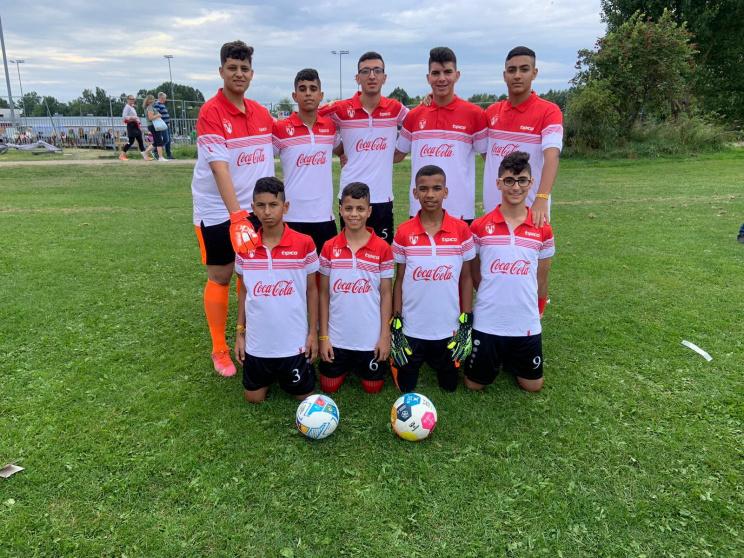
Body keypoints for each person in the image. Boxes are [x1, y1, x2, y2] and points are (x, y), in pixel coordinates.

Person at [191, 40, 274, 377]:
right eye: (232, 68)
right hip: (217, 211)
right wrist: (236, 216)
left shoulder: (261, 113)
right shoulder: (211, 112)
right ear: (221, 71)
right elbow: (219, 168)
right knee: (221, 275)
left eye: (244, 68)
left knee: (249, 274)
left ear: (252, 73)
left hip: (252, 210)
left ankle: (246, 337)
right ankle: (219, 349)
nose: (239, 74)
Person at [466, 151, 554, 393]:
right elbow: (474, 273)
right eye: (509, 181)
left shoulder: (543, 228)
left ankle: (509, 355)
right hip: (488, 320)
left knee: (533, 385)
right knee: (474, 384)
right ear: (498, 183)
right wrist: (491, 295)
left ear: (531, 183)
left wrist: (538, 309)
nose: (515, 187)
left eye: (522, 180)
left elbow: (542, 277)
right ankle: (499, 353)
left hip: (525, 320)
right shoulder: (480, 226)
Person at [390, 165, 475, 392]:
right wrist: (396, 322)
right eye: (423, 189)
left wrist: (466, 320)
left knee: (449, 386)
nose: (430, 195)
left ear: (445, 192)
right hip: (412, 327)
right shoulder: (403, 231)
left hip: (449, 328)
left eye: (437, 188)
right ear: (415, 192)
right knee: (405, 387)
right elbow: (400, 279)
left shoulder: (461, 230)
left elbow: (466, 278)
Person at [234, 177, 319, 403]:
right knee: (253, 398)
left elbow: (312, 291)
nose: (267, 212)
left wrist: (313, 333)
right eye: (260, 205)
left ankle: (292, 369)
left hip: (293, 344)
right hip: (258, 344)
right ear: (252, 208)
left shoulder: (305, 243)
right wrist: (240, 333)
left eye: (273, 205)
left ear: (285, 206)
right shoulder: (244, 246)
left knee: (304, 396)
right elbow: (243, 290)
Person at [318, 52, 409, 243]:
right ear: (357, 78)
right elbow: (312, 116)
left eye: (377, 71)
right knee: (350, 252)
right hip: (350, 197)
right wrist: (339, 150)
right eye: (365, 71)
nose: (372, 76)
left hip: (382, 197)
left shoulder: (395, 109)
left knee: (382, 254)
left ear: (385, 77)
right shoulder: (341, 109)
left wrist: (430, 99)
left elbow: (419, 120)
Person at [395, 47, 487, 223]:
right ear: (428, 77)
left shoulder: (475, 114)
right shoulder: (414, 116)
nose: (442, 78)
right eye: (436, 73)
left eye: (448, 72)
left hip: (460, 213)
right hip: (420, 211)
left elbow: (490, 158)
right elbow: (397, 155)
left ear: (457, 75)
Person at [318, 182, 394, 394]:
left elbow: (386, 294)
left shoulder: (383, 248)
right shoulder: (329, 247)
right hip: (336, 337)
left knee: (373, 387)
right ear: (340, 209)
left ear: (369, 211)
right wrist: (323, 337)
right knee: (329, 386)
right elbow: (323, 294)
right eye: (349, 208)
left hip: (370, 339)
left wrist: (384, 336)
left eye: (360, 209)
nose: (354, 214)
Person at [481, 46, 563, 227]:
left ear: (534, 73)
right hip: (493, 212)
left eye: (524, 69)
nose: (517, 75)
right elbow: (486, 153)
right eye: (512, 70)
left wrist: (541, 198)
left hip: (532, 210)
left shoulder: (549, 111)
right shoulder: (492, 112)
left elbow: (552, 157)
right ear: (504, 75)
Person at [273, 69, 339, 252]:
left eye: (313, 88)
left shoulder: (330, 127)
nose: (308, 93)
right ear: (294, 96)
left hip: (324, 217)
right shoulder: (281, 129)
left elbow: (341, 150)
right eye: (302, 89)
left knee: (325, 269)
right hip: (292, 217)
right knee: (293, 269)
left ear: (321, 95)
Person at [119, 95, 153, 161]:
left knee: (140, 141)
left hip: (136, 125)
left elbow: (135, 116)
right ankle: (122, 155)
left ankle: (145, 157)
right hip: (131, 125)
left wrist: (137, 120)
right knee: (130, 142)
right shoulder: (127, 107)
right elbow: (124, 117)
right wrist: (133, 118)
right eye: (131, 99)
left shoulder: (132, 107)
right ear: (127, 100)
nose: (132, 100)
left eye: (133, 99)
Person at [143, 95, 168, 162]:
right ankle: (160, 157)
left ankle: (145, 153)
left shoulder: (149, 107)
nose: (153, 101)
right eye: (152, 99)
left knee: (157, 142)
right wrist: (158, 115)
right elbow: (150, 118)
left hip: (152, 126)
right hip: (153, 126)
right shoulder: (150, 107)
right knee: (159, 141)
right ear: (150, 100)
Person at [153, 92, 175, 159]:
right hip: (162, 125)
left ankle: (169, 154)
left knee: (168, 140)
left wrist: (168, 122)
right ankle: (155, 150)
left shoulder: (162, 104)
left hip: (166, 124)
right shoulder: (157, 104)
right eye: (165, 98)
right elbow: (157, 114)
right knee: (166, 139)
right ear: (161, 98)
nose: (165, 99)